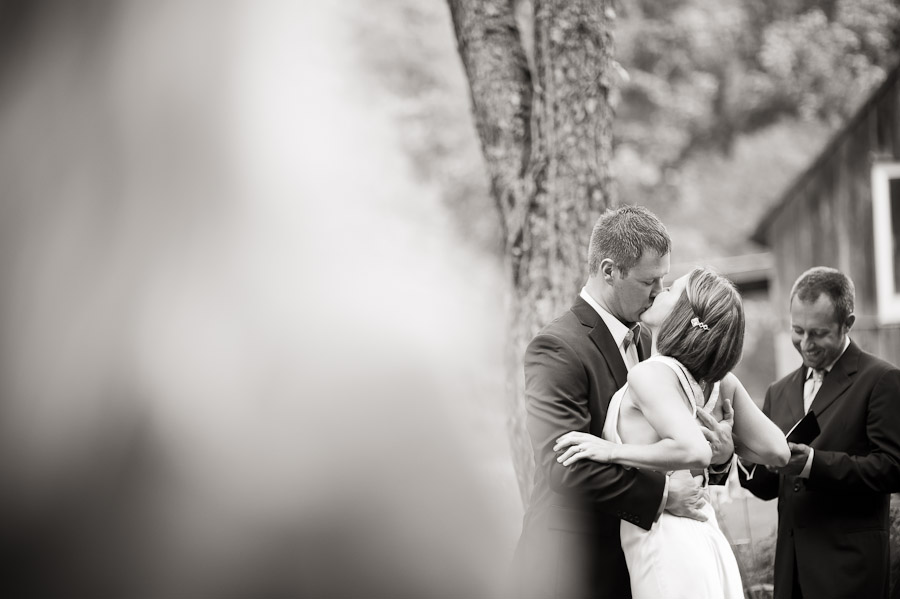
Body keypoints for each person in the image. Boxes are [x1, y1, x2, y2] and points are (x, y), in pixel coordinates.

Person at [511, 206, 736, 599]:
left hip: (641, 562)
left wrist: (718, 458)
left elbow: (673, 446)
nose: (659, 292)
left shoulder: (653, 343)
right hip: (576, 568)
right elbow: (563, 466)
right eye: (650, 280)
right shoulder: (558, 348)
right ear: (609, 271)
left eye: (664, 279)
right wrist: (663, 497)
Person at [554, 267, 790, 599]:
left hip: (666, 543)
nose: (659, 290)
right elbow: (778, 450)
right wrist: (728, 448)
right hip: (705, 533)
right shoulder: (717, 382)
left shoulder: (650, 373)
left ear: (684, 315)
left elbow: (694, 451)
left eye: (671, 290)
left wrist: (611, 451)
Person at [738, 267, 900, 599]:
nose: (806, 344)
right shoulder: (778, 391)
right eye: (797, 331)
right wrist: (736, 451)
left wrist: (812, 464)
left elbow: (892, 469)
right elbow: (767, 487)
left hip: (850, 575)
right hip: (791, 575)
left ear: (848, 324)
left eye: (819, 333)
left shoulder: (881, 380)